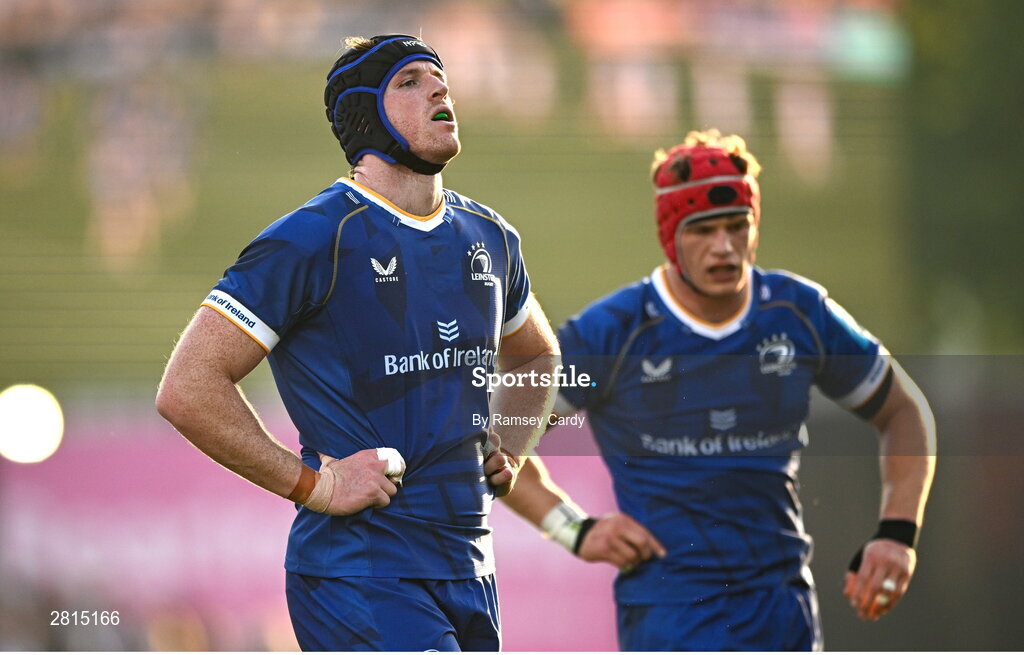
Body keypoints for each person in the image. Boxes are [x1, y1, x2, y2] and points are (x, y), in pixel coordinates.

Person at [156, 34, 559, 651]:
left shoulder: (490, 235)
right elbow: (188, 387)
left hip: (470, 569)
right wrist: (315, 486)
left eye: (439, 76)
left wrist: (510, 445)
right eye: (410, 81)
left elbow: (536, 353)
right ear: (366, 113)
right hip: (359, 573)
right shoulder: (313, 237)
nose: (439, 88)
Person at [502, 129, 936, 651]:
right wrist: (573, 528)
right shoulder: (613, 332)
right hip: (670, 622)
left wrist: (897, 533)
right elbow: (499, 440)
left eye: (738, 226)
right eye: (703, 230)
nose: (725, 246)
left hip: (782, 614)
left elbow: (903, 411)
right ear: (670, 235)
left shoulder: (798, 314)